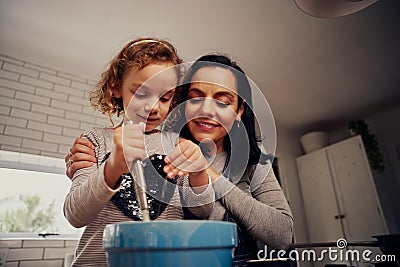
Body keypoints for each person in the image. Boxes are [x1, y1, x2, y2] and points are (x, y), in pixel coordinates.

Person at [65, 54, 294, 266]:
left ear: (239, 111)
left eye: (223, 102)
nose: (206, 110)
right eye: (195, 98)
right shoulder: (164, 148)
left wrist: (210, 174)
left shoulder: (254, 163)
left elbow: (283, 235)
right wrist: (101, 167)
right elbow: (85, 203)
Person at [63, 38, 214, 266]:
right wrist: (112, 167)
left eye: (164, 98)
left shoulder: (176, 145)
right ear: (116, 87)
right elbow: (75, 215)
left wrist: (199, 170)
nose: (154, 107)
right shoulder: (95, 140)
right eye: (142, 93)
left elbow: (202, 210)